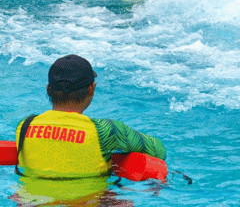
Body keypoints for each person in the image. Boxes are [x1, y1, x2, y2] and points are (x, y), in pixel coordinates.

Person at [13, 55, 166, 204]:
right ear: (91, 88)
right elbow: (158, 150)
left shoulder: (25, 126)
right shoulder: (106, 131)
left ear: (48, 89)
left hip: (32, 202)